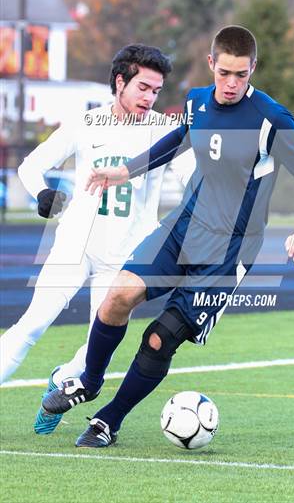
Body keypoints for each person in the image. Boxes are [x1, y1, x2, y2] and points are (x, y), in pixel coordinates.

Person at [42, 26, 294, 448]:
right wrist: (125, 171)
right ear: (212, 64)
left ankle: (108, 420)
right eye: (224, 73)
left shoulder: (271, 118)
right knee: (118, 295)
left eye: (241, 75)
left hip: (228, 250)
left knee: (160, 338)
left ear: (253, 69)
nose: (231, 84)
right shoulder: (197, 102)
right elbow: (179, 139)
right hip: (182, 228)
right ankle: (88, 380)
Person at [0, 44, 195, 436]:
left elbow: (194, 180)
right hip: (75, 244)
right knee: (31, 325)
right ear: (119, 81)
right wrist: (42, 193)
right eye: (142, 87)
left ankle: (61, 381)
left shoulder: (165, 132)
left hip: (124, 257)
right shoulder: (86, 123)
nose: (149, 97)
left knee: (94, 352)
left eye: (156, 90)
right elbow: (32, 165)